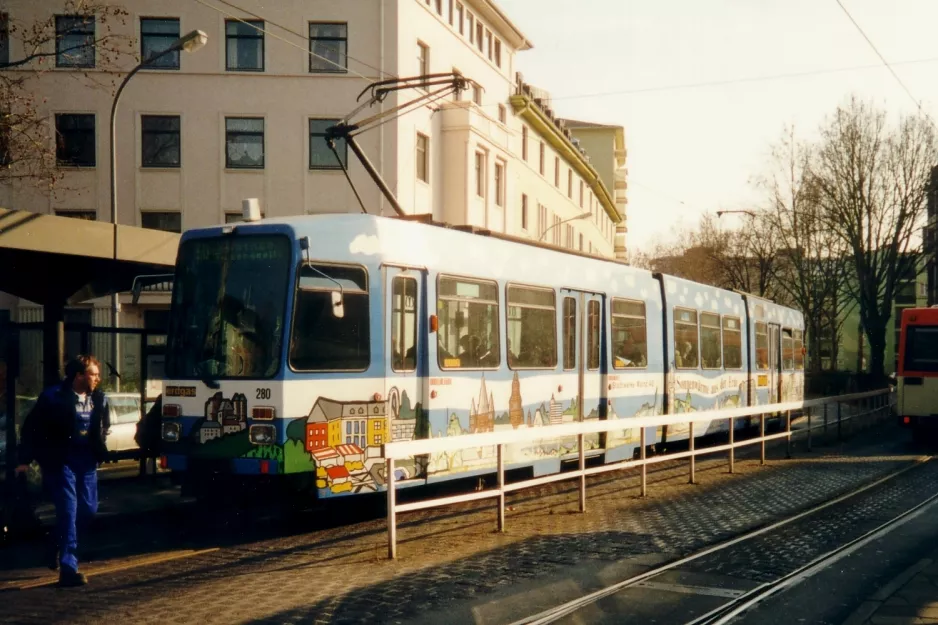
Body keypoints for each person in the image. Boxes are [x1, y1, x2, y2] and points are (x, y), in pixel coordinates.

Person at [15, 355, 110, 587]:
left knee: (88, 509)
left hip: (86, 462)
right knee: (68, 510)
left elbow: (102, 425)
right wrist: (25, 459)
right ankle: (69, 567)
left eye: (98, 374)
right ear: (78, 375)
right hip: (61, 461)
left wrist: (100, 448)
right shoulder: (53, 397)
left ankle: (56, 543)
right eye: (93, 374)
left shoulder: (99, 398)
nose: (98, 378)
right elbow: (32, 428)